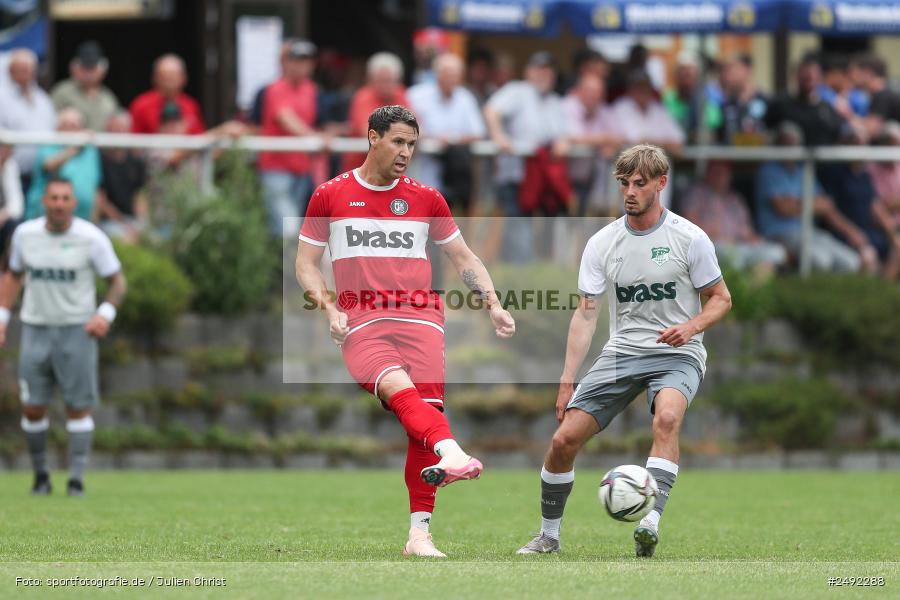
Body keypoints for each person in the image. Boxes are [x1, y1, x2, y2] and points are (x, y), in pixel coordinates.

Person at [296, 105, 515, 557]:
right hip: (362, 321)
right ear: (372, 137)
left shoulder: (427, 198)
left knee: (422, 421)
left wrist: (493, 304)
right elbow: (305, 265)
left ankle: (420, 534)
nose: (406, 152)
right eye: (398, 141)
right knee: (402, 395)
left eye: (412, 144)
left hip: (421, 320)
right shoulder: (329, 195)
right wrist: (329, 309)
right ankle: (452, 453)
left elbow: (464, 259)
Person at [516, 144, 731, 558]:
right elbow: (585, 315)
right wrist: (566, 379)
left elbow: (721, 298)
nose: (630, 191)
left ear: (660, 184)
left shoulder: (690, 238)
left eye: (639, 183)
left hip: (677, 353)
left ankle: (649, 523)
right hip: (622, 353)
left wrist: (691, 327)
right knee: (563, 441)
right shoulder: (603, 243)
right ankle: (548, 536)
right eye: (623, 183)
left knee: (667, 418)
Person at [0, 175, 127, 497]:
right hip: (35, 328)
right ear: (44, 201)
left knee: (78, 407)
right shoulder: (25, 235)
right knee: (32, 406)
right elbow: (13, 276)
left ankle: (76, 480)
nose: (59, 204)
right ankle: (41, 477)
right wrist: (2, 317)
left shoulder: (92, 237)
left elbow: (117, 282)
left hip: (77, 330)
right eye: (53, 198)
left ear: (74, 203)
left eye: (64, 198)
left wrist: (104, 314)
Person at [484, 51, 570, 261]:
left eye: (548, 69)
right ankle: (517, 280)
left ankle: (536, 277)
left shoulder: (555, 101)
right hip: (516, 175)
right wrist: (499, 136)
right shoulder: (517, 91)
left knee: (543, 234)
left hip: (543, 179)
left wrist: (562, 143)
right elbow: (491, 111)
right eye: (539, 69)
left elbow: (562, 135)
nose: (544, 74)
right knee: (518, 233)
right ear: (528, 72)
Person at [754, 122, 875, 273]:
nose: (791, 150)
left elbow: (827, 206)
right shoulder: (768, 171)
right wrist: (812, 204)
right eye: (786, 144)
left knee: (850, 262)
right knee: (820, 260)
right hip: (779, 234)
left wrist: (853, 232)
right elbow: (783, 208)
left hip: (809, 232)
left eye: (794, 145)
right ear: (778, 145)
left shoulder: (803, 171)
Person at [679, 160, 787, 274]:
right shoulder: (695, 194)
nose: (720, 176)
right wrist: (714, 235)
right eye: (717, 172)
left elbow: (746, 231)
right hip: (712, 244)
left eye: (724, 173)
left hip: (739, 244)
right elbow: (689, 227)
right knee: (733, 258)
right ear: (708, 173)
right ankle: (735, 286)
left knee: (776, 252)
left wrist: (754, 239)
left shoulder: (735, 199)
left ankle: (752, 288)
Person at [257, 39, 319, 237]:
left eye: (306, 60)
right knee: (288, 230)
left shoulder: (311, 89)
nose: (302, 65)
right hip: (276, 168)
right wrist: (315, 137)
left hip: (301, 169)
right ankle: (284, 268)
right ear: (286, 62)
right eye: (297, 60)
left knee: (286, 231)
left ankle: (281, 269)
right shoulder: (275, 88)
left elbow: (318, 122)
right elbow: (285, 118)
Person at [407, 53, 485, 208]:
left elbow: (478, 133)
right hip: (421, 170)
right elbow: (405, 127)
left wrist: (450, 140)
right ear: (437, 74)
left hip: (453, 175)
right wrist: (431, 137)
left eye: (456, 75)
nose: (452, 79)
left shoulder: (465, 97)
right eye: (447, 74)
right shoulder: (416, 95)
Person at [562, 72, 622, 216]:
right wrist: (604, 140)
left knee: (586, 224)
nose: (593, 95)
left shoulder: (604, 111)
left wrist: (608, 144)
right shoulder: (567, 106)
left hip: (590, 180)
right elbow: (573, 137)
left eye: (597, 92)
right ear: (579, 91)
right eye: (589, 90)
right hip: (563, 179)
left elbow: (618, 138)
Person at [25, 108, 102, 222]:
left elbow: (95, 187)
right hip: (44, 219)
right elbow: (49, 165)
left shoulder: (90, 151)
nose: (69, 129)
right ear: (57, 128)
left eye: (74, 125)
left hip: (82, 219)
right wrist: (76, 147)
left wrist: (95, 220)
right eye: (65, 125)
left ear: (81, 129)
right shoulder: (48, 144)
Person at [0, 49, 56, 194]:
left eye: (29, 69)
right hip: (10, 175)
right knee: (15, 214)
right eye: (21, 70)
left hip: (42, 176)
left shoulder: (43, 100)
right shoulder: (2, 98)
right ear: (10, 71)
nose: (27, 74)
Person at [342, 52, 409, 172]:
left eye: (390, 80)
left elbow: (413, 127)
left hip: (389, 171)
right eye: (382, 80)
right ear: (371, 80)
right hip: (360, 170)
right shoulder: (363, 97)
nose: (386, 85)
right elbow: (369, 132)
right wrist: (400, 134)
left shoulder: (400, 94)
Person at [97, 112, 147, 242]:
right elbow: (101, 201)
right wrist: (124, 224)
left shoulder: (136, 161)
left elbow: (140, 196)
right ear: (107, 131)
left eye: (122, 129)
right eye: (115, 129)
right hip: (108, 222)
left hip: (131, 221)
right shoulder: (99, 160)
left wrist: (141, 223)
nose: (119, 133)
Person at [51, 41, 120, 132]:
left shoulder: (108, 97)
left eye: (93, 68)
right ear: (74, 68)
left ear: (103, 70)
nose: (88, 73)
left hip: (102, 145)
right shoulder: (62, 92)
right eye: (84, 67)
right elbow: (49, 123)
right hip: (71, 145)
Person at [129, 54, 205, 135]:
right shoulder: (141, 105)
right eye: (164, 76)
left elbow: (200, 138)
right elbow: (133, 141)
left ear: (183, 78)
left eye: (173, 76)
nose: (169, 81)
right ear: (155, 78)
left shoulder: (191, 105)